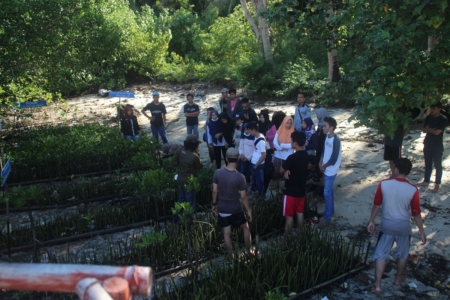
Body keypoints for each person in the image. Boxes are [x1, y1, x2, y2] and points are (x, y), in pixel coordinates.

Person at [367, 158, 426, 295]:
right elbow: (416, 213)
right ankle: (398, 278)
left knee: (381, 254)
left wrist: (371, 220)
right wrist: (422, 232)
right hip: (403, 225)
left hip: (387, 224)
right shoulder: (413, 189)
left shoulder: (384, 184)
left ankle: (378, 285)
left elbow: (377, 205)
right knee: (403, 253)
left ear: (396, 169)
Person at [212, 148, 252, 259]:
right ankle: (249, 251)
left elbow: (215, 191)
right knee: (245, 228)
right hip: (235, 209)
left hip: (223, 208)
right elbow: (243, 196)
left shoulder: (218, 172)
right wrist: (248, 210)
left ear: (226, 158)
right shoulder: (240, 176)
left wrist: (214, 204)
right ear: (238, 159)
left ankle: (231, 255)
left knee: (226, 233)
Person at [280, 131, 308, 236]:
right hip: (301, 190)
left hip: (290, 192)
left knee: (289, 217)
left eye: (292, 141)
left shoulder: (292, 158)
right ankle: (300, 235)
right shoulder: (306, 155)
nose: (291, 143)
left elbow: (281, 169)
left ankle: (286, 239)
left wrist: (286, 170)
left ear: (295, 143)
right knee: (300, 213)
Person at [416, 102, 448, 193]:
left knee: (438, 166)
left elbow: (437, 132)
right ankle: (426, 181)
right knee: (428, 164)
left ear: (439, 108)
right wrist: (432, 129)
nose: (432, 110)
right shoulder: (428, 117)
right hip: (427, 143)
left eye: (434, 108)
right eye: (431, 108)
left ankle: (437, 185)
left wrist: (430, 129)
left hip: (437, 146)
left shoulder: (443, 119)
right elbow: (424, 130)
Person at [318, 117, 342, 228]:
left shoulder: (336, 140)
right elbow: (324, 150)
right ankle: (331, 212)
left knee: (327, 193)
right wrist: (320, 161)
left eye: (325, 126)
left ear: (331, 128)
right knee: (329, 192)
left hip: (331, 170)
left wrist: (323, 166)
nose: (323, 127)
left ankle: (327, 218)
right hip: (325, 168)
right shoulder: (327, 136)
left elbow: (333, 158)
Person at [172, 135, 203, 219]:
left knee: (181, 199)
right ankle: (188, 221)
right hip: (189, 182)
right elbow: (200, 167)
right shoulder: (194, 156)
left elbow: (174, 161)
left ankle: (175, 218)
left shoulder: (180, 150)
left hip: (180, 179)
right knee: (190, 202)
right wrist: (197, 154)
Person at [247, 121, 266, 199]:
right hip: (254, 162)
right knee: (254, 180)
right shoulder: (257, 137)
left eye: (249, 130)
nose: (249, 132)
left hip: (258, 165)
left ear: (253, 130)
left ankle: (262, 197)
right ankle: (253, 193)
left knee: (259, 182)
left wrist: (256, 165)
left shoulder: (261, 141)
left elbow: (264, 155)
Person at [259, 109, 277, 193]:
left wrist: (267, 137)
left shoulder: (271, 124)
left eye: (262, 117)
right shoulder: (260, 124)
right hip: (262, 147)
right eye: (260, 117)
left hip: (270, 147)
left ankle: (269, 179)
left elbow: (275, 134)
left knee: (268, 164)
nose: (261, 119)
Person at [273, 116, 295, 182]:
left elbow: (292, 145)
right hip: (279, 154)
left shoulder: (293, 132)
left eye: (290, 123)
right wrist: (280, 148)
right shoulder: (279, 130)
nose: (289, 125)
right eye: (287, 123)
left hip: (288, 155)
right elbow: (275, 142)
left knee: (287, 172)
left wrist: (281, 144)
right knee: (277, 172)